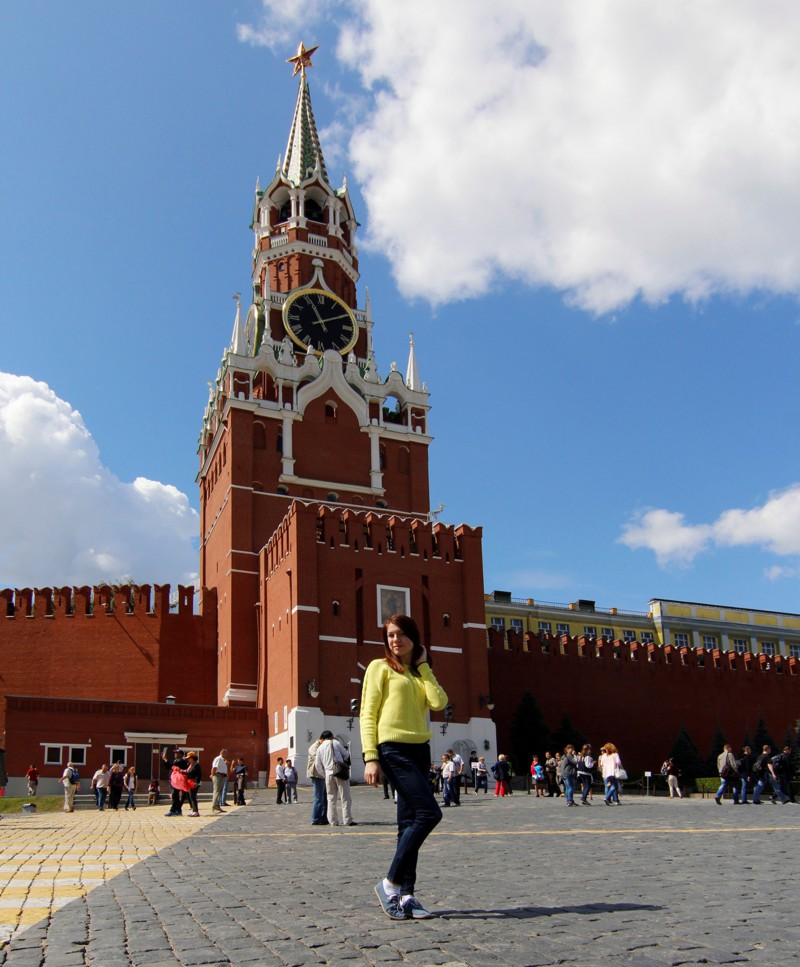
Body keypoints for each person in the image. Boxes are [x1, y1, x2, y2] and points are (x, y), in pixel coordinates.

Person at [361, 613, 448, 921]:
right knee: (429, 813)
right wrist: (370, 756)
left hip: (419, 750)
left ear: (413, 637)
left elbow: (438, 702)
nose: (394, 640)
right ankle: (389, 883)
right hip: (392, 749)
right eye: (390, 635)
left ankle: (406, 895)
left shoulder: (418, 673)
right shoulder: (379, 667)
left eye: (400, 634)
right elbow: (368, 712)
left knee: (408, 822)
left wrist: (424, 666)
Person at [316, 731, 354, 827]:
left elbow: (317, 765)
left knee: (331, 798)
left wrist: (324, 774)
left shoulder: (319, 748)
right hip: (339, 772)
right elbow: (346, 754)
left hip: (328, 774)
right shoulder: (335, 742)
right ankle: (347, 819)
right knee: (345, 797)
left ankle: (333, 821)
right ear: (331, 736)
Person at [307, 733, 329, 825]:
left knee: (325, 799)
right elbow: (319, 759)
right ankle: (315, 819)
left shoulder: (324, 747)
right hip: (316, 775)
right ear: (322, 739)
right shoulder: (314, 747)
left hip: (324, 775)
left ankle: (324, 818)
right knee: (319, 798)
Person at [162, 747, 190, 816]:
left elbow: (171, 766)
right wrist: (165, 760)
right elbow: (168, 766)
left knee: (174, 795)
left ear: (181, 754)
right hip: (174, 780)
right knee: (175, 795)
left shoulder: (182, 762)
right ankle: (178, 810)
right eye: (175, 753)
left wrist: (165, 759)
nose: (175, 754)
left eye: (176, 753)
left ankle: (173, 810)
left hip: (178, 781)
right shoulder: (175, 761)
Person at [183, 751, 202, 816]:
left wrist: (181, 771)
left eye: (189, 758)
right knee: (191, 797)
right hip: (189, 782)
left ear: (192, 758)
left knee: (193, 797)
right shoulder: (189, 765)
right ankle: (194, 810)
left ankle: (196, 811)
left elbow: (191, 773)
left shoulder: (196, 765)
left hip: (194, 782)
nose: (188, 759)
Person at [210, 747, 229, 813]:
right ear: (222, 752)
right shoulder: (218, 759)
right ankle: (214, 806)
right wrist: (212, 775)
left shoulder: (223, 760)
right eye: (225, 753)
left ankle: (217, 806)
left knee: (219, 791)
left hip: (222, 776)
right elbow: (214, 768)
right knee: (217, 791)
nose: (226, 754)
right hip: (218, 775)